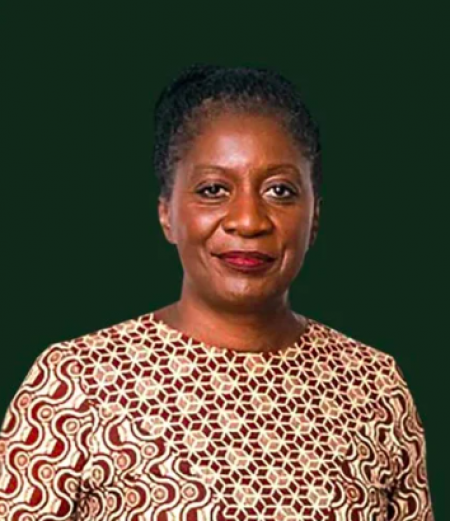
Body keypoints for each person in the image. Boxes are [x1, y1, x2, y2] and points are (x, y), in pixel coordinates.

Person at [0, 64, 434, 520]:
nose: (248, 220)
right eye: (213, 189)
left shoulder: (377, 387)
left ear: (315, 218)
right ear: (166, 214)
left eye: (280, 190)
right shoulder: (76, 383)